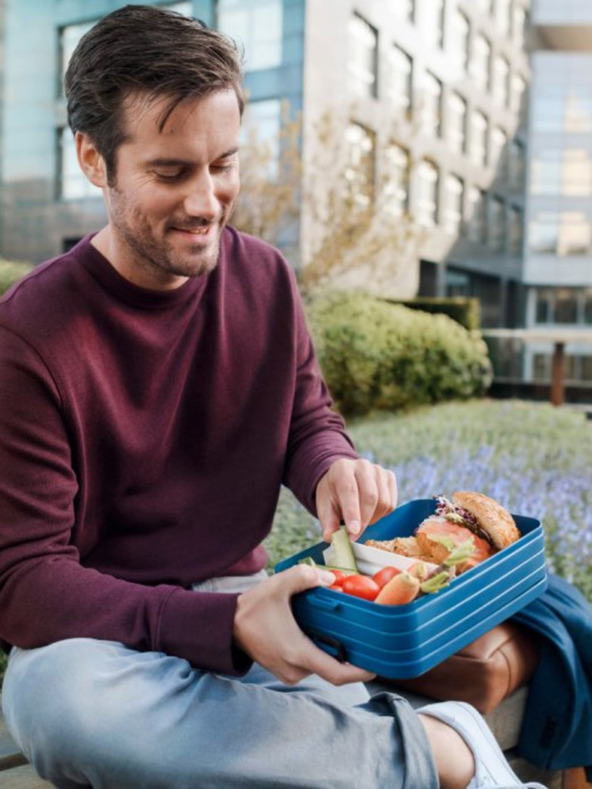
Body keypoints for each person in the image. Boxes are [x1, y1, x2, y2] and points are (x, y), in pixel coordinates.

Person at [0, 6, 546, 789]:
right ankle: (447, 750)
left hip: (247, 599)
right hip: (102, 630)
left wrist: (333, 466)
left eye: (223, 163)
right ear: (94, 159)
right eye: (171, 171)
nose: (208, 202)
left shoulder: (265, 279)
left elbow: (306, 420)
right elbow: (23, 580)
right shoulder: (28, 337)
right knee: (58, 705)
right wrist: (217, 629)